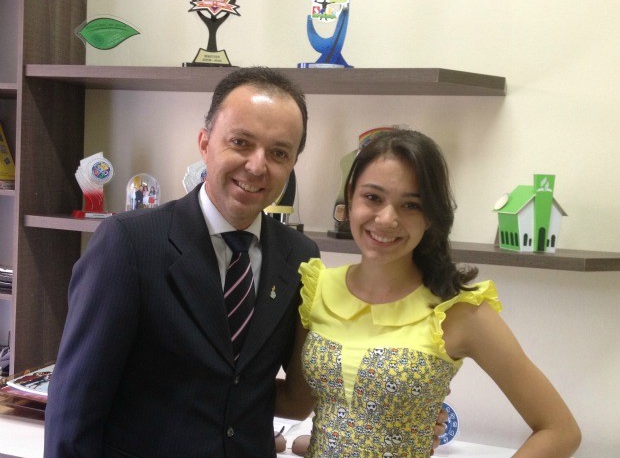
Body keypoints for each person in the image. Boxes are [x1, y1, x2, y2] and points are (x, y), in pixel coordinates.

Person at [44, 67, 320, 458]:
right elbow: (76, 404)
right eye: (240, 142)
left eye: (279, 153)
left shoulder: (300, 256)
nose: (258, 166)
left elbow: (282, 389)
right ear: (205, 143)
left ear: (292, 163)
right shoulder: (129, 243)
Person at [275, 128, 581, 457]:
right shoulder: (317, 289)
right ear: (350, 199)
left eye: (411, 205)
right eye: (373, 197)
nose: (387, 219)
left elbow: (560, 431)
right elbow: (296, 403)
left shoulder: (459, 311)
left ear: (432, 215)